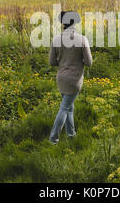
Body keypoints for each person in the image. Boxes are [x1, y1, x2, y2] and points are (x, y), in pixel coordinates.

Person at [49, 11, 92, 145]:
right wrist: (78, 62)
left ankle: (71, 134)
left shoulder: (56, 39)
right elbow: (89, 62)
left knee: (69, 107)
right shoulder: (82, 39)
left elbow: (51, 62)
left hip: (61, 79)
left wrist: (63, 62)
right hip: (74, 80)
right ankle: (53, 139)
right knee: (65, 108)